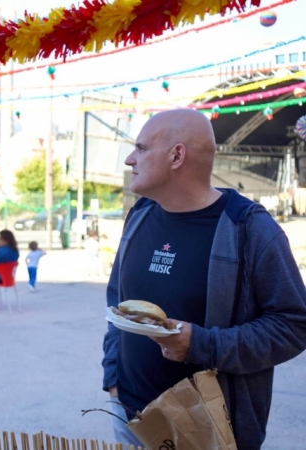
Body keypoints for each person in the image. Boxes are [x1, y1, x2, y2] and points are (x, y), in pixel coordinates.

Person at [101, 109, 306, 449]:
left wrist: (202, 345)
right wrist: (113, 379)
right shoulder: (139, 215)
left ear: (176, 155)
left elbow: (295, 324)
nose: (129, 159)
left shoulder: (249, 229)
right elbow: (117, 307)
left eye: (141, 148)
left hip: (209, 428)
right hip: (129, 416)